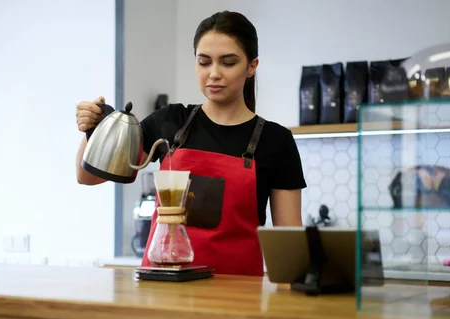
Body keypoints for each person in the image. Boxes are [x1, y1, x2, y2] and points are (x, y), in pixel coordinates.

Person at [74, 11, 306, 276]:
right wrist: (92, 128)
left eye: (228, 63)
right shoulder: (170, 121)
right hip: (163, 289)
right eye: (204, 62)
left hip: (239, 297)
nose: (214, 73)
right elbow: (87, 177)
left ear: (252, 66)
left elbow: (291, 243)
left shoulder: (276, 140)